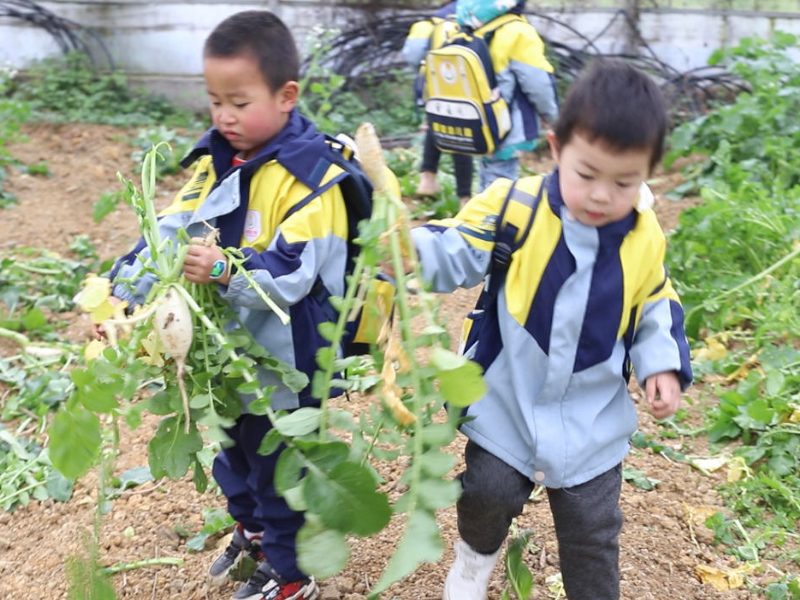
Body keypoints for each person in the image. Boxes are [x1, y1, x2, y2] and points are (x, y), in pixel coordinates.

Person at [101, 10, 371, 600]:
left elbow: (296, 274)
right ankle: (252, 532)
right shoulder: (216, 159)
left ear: (285, 95)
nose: (223, 115)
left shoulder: (313, 179)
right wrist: (122, 293)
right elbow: (167, 232)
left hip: (284, 359)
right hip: (221, 354)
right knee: (230, 453)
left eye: (239, 102)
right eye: (214, 100)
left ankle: (293, 576)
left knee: (279, 467)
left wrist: (227, 269)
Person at [405, 60, 693, 600]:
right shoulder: (515, 208)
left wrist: (663, 364)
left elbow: (655, 301)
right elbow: (455, 247)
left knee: (592, 529)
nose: (603, 196)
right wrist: (406, 248)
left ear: (649, 172)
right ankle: (473, 562)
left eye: (625, 182)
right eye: (587, 175)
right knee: (487, 493)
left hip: (591, 418)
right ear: (558, 148)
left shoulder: (644, 237)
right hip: (507, 399)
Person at [454, 0, 560, 191]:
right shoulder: (517, 31)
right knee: (501, 191)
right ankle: (490, 220)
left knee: (488, 180)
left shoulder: (473, 30)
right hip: (507, 128)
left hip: (478, 125)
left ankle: (479, 217)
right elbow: (538, 84)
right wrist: (553, 117)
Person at [402, 1, 474, 206]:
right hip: (463, 89)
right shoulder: (471, 21)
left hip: (433, 88)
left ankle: (428, 177)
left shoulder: (427, 24)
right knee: (462, 136)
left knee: (435, 124)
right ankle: (465, 198)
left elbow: (413, 54)